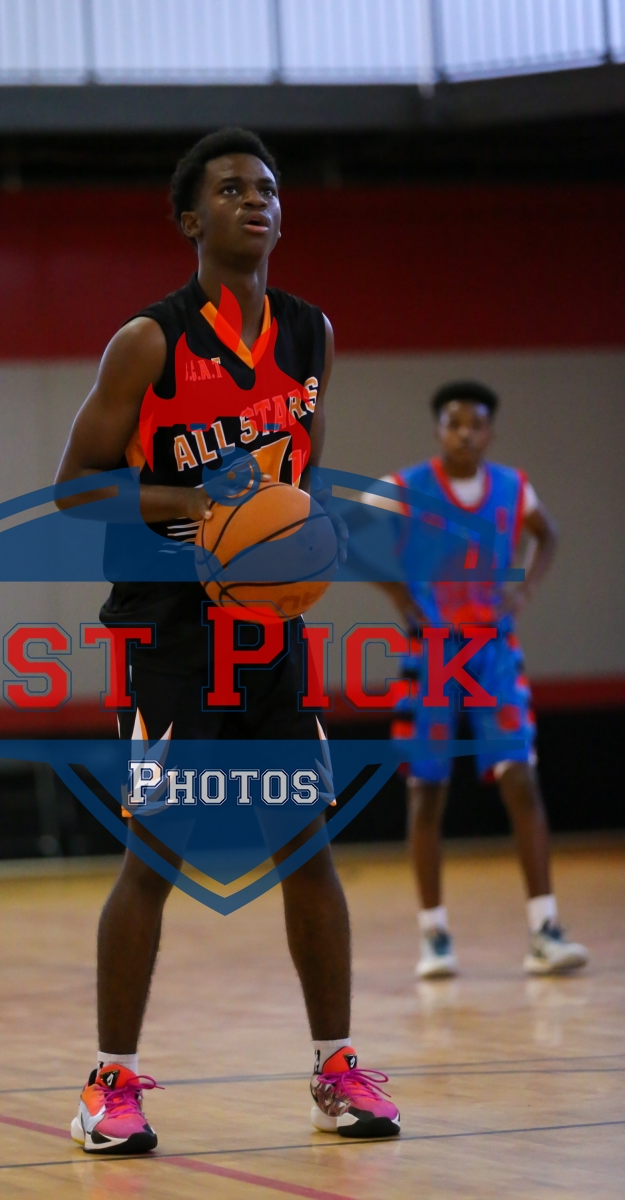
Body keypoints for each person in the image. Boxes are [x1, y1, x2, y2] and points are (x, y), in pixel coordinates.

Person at [55, 128, 400, 1154]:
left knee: (307, 847)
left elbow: (300, 467)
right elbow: (75, 489)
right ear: (188, 219)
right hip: (165, 631)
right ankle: (108, 1087)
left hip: (266, 633)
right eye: (230, 188)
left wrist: (291, 539)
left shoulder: (309, 333)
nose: (256, 200)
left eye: (268, 187)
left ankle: (336, 1069)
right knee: (154, 857)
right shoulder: (147, 342)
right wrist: (202, 508)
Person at [371, 382, 588, 980]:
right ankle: (434, 935)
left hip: (493, 653)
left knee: (521, 779)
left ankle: (544, 928)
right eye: (454, 422)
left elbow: (548, 533)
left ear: (490, 432)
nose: (465, 432)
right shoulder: (407, 486)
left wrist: (525, 590)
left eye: (476, 423)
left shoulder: (514, 488)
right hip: (431, 656)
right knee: (427, 791)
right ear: (438, 430)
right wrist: (400, 596)